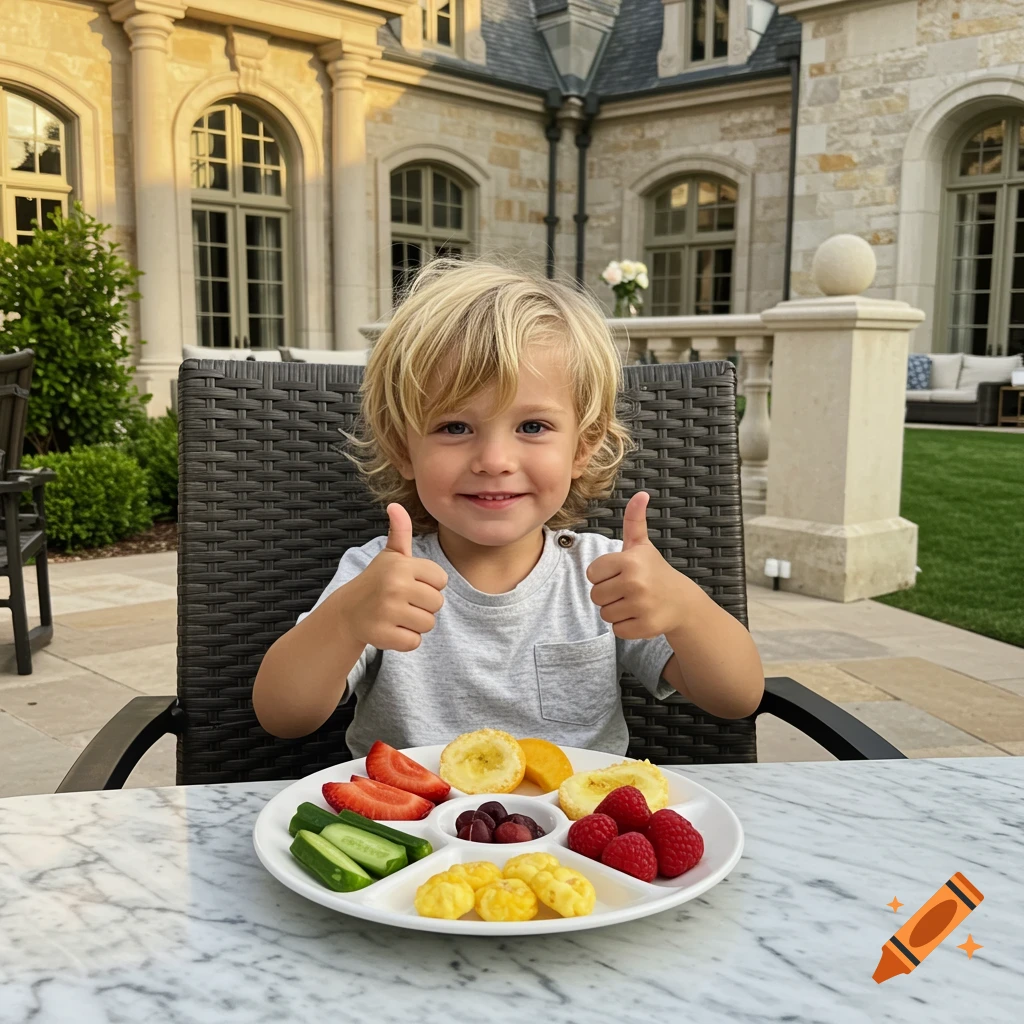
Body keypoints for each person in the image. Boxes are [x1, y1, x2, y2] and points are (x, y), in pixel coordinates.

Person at [253, 258, 764, 757]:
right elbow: (282, 716)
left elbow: (735, 699)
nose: (494, 461)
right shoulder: (379, 576)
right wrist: (345, 621)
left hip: (574, 832)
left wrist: (686, 609)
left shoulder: (606, 576)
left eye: (532, 427)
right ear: (403, 449)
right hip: (416, 832)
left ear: (582, 446)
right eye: (455, 427)